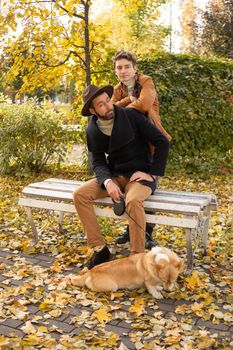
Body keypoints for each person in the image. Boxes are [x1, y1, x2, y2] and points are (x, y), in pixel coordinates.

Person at [73, 84, 170, 269]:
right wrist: (108, 182)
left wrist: (153, 173)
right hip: (116, 175)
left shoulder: (131, 115)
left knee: (133, 201)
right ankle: (100, 250)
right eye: (101, 105)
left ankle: (136, 258)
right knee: (80, 194)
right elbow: (98, 161)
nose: (108, 106)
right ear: (93, 110)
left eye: (108, 101)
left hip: (140, 175)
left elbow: (162, 142)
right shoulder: (92, 129)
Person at [112, 50, 172, 248]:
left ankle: (147, 233)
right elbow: (110, 111)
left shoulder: (146, 81)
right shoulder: (117, 89)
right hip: (132, 143)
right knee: (133, 188)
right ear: (115, 70)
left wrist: (127, 106)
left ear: (134, 68)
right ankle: (132, 230)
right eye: (119, 67)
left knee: (147, 189)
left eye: (127, 66)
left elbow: (145, 103)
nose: (123, 71)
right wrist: (128, 100)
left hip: (152, 141)